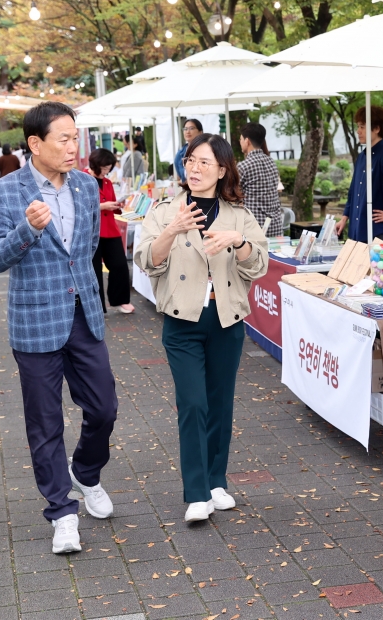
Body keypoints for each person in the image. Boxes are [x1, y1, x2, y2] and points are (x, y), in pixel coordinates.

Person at [0, 102, 117, 555]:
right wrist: (27, 229)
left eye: (75, 137)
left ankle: (86, 472)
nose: (73, 146)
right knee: (45, 422)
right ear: (35, 144)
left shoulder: (86, 185)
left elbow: (88, 248)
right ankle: (61, 512)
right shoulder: (3, 193)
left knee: (104, 408)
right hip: (35, 320)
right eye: (64, 138)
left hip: (84, 315)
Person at [134, 133, 267, 523]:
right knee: (193, 403)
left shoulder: (238, 215)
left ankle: (215, 481)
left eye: (204, 162)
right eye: (190, 160)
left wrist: (239, 242)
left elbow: (259, 264)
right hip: (183, 321)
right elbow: (146, 260)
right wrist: (172, 230)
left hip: (226, 319)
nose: (194, 168)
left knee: (220, 402)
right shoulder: (165, 211)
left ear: (222, 170)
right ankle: (196, 493)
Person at [335, 106, 383, 243]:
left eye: (362, 126)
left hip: (378, 231)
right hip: (358, 229)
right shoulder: (362, 156)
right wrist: (344, 218)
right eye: (358, 126)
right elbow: (353, 191)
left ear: (377, 128)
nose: (358, 131)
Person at [89, 148, 134, 314]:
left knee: (120, 265)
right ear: (96, 164)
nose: (106, 172)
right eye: (104, 168)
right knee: (94, 270)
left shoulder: (108, 183)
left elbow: (111, 203)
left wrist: (117, 205)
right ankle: (97, 306)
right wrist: (102, 206)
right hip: (92, 230)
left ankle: (120, 300)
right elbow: (80, 206)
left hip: (110, 228)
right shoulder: (84, 179)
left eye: (108, 168)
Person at [237, 122, 283, 235]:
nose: (240, 142)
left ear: (247, 141)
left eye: (241, 139)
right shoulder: (272, 162)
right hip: (275, 226)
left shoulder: (243, 166)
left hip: (254, 227)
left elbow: (233, 194)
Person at [173, 118, 202, 182]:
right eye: (185, 129)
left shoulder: (207, 150)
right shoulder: (180, 155)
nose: (188, 132)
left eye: (191, 128)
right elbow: (181, 176)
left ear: (200, 132)